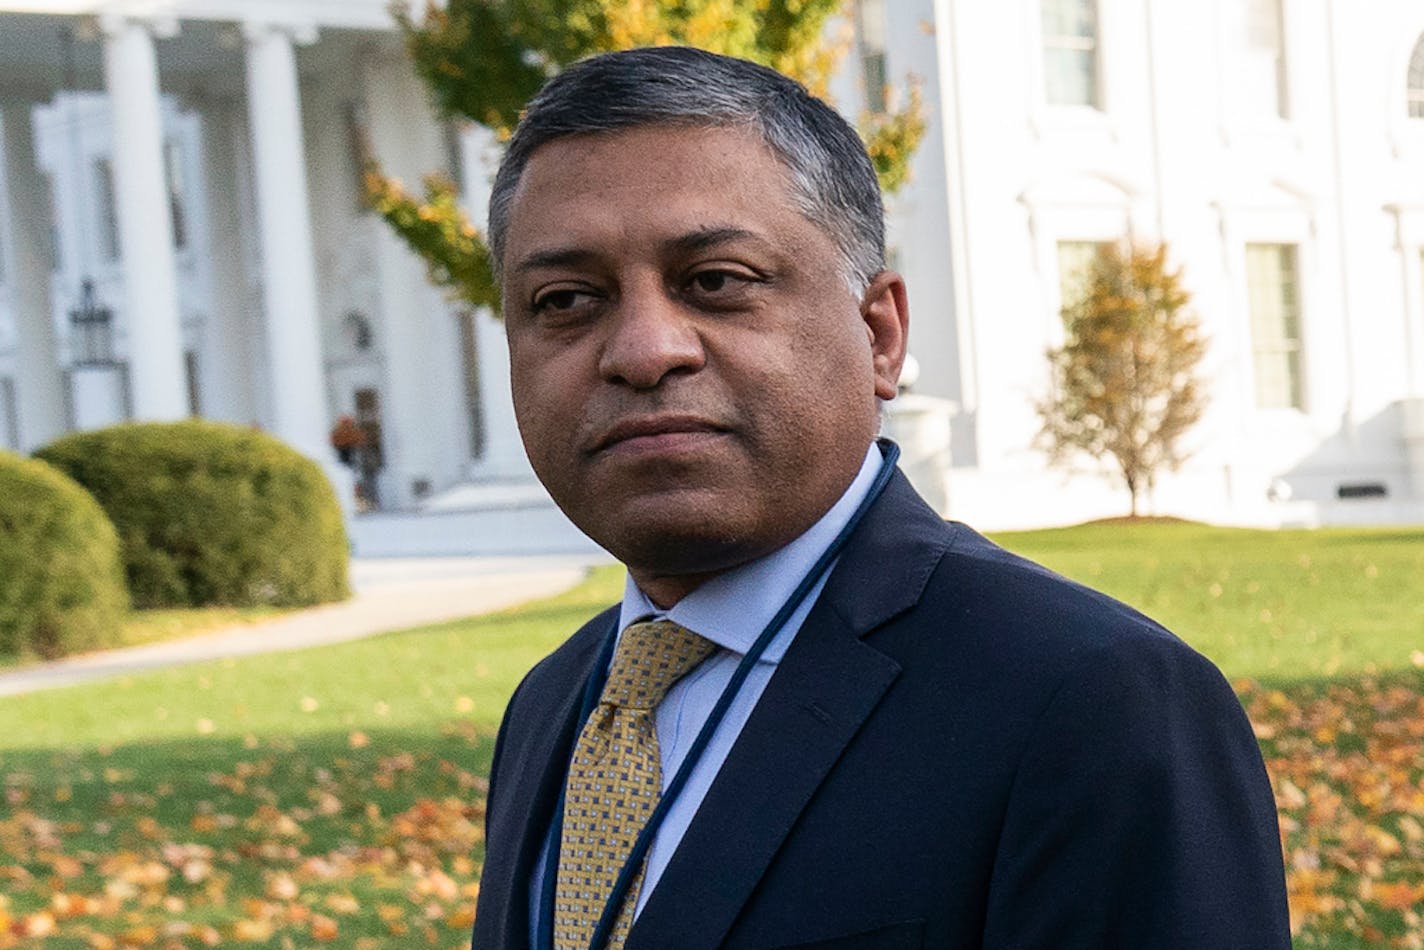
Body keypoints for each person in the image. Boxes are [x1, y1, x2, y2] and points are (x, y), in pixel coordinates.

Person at [472, 46, 1290, 950]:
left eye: (716, 282)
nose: (643, 349)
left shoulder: (1091, 700)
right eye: (565, 300)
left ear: (880, 335)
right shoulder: (554, 707)